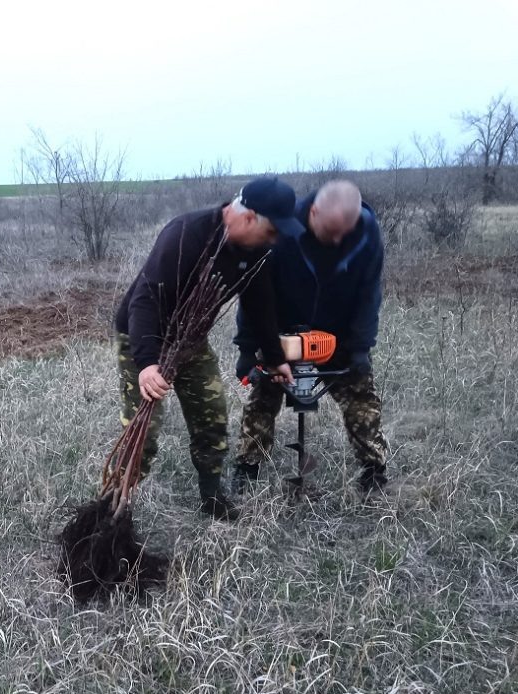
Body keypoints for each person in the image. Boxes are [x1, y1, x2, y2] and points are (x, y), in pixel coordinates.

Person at [114, 176, 301, 520]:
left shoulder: (256, 251)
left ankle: (212, 497)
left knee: (212, 416)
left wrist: (275, 359)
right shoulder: (187, 233)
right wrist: (146, 364)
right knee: (145, 429)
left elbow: (261, 307)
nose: (275, 240)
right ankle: (117, 506)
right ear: (248, 218)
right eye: (273, 231)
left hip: (190, 341)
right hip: (144, 338)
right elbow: (145, 300)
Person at [233, 179, 389, 493]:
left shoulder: (366, 237)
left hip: (338, 336)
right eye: (331, 231)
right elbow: (256, 293)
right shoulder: (283, 232)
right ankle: (246, 469)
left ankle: (374, 471)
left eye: (344, 232)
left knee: (362, 399)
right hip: (283, 332)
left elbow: (368, 296)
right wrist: (249, 348)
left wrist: (360, 348)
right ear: (314, 212)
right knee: (263, 396)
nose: (337, 240)